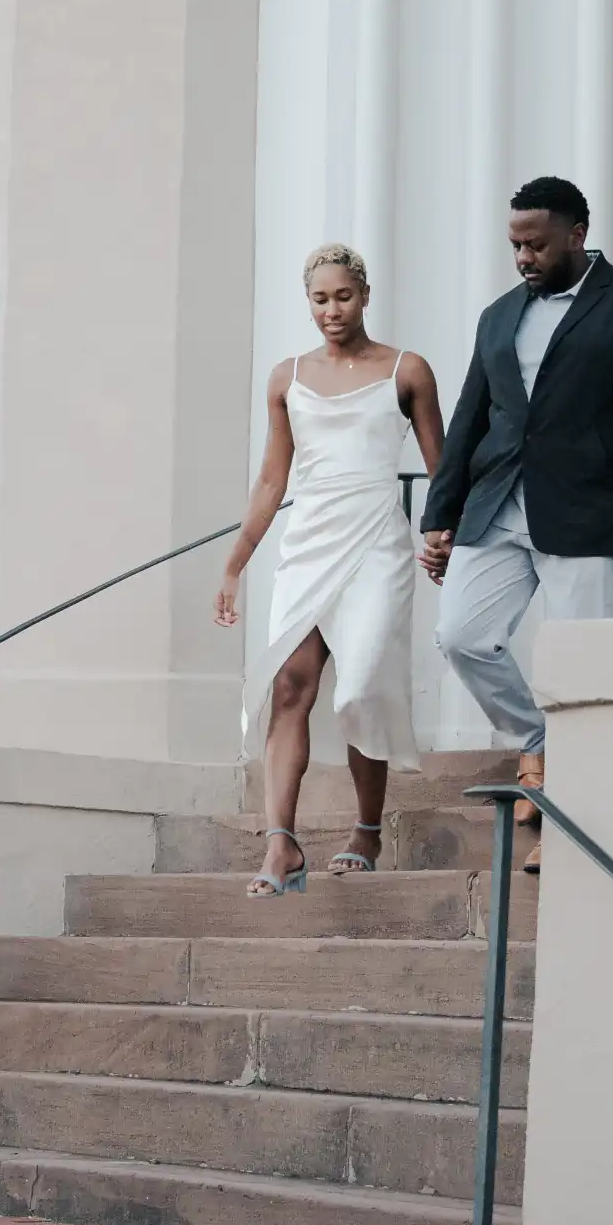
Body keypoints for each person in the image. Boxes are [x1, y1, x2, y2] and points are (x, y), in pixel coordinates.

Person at [421, 176, 613, 866]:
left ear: (576, 235)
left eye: (536, 245)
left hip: (586, 508)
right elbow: (471, 417)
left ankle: (570, 819)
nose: (523, 258)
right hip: (497, 505)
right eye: (515, 245)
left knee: (577, 658)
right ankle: (542, 743)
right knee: (461, 636)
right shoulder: (499, 315)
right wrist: (440, 513)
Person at [215, 245, 444, 895]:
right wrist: (235, 566)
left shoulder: (408, 370)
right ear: (307, 303)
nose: (331, 310)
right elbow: (270, 481)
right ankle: (279, 845)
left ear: (364, 295)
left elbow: (443, 469)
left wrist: (442, 534)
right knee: (291, 686)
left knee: (363, 687)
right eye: (319, 299)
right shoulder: (286, 377)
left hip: (377, 543)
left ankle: (367, 828)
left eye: (343, 296)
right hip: (308, 546)